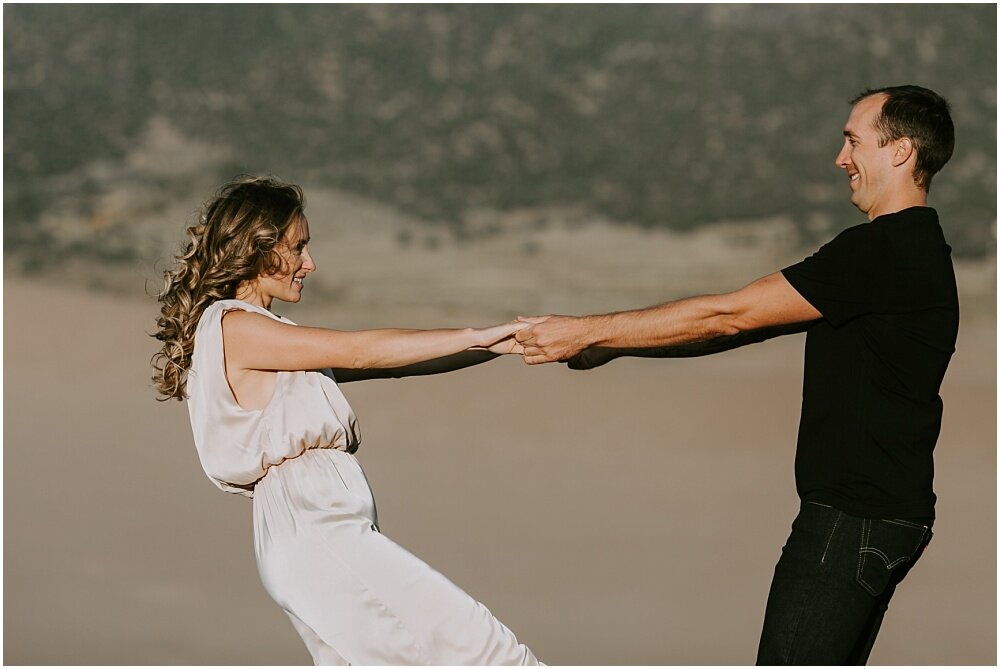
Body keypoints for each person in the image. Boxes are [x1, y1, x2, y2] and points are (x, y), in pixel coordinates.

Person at [514, 85, 957, 665]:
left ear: (899, 151)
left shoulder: (883, 251)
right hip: (877, 519)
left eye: (853, 140)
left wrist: (587, 330)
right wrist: (616, 347)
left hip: (853, 522)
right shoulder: (914, 250)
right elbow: (740, 328)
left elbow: (728, 314)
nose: (840, 158)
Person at [151, 176, 540, 665]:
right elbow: (361, 350)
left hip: (311, 528)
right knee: (483, 650)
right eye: (298, 248)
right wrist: (479, 332)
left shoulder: (266, 337)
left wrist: (496, 345)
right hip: (314, 526)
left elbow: (395, 362)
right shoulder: (236, 326)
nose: (308, 264)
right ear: (258, 249)